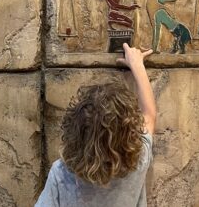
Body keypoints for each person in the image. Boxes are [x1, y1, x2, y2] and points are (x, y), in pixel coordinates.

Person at [36, 43, 156, 207]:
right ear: (128, 129)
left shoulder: (62, 174)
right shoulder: (138, 160)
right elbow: (149, 115)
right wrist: (137, 65)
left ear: (76, 130)